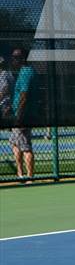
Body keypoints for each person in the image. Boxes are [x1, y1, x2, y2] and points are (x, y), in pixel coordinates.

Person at [9, 48, 37, 182]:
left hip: (23, 116)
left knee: (25, 146)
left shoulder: (26, 72)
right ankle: (20, 175)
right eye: (13, 57)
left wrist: (19, 116)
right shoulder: (22, 71)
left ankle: (30, 177)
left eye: (16, 57)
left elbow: (24, 96)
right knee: (14, 143)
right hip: (17, 114)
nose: (13, 59)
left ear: (23, 59)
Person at [0, 56, 14, 121]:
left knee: (5, 120)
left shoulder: (4, 73)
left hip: (4, 102)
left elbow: (5, 88)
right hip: (7, 101)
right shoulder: (8, 73)